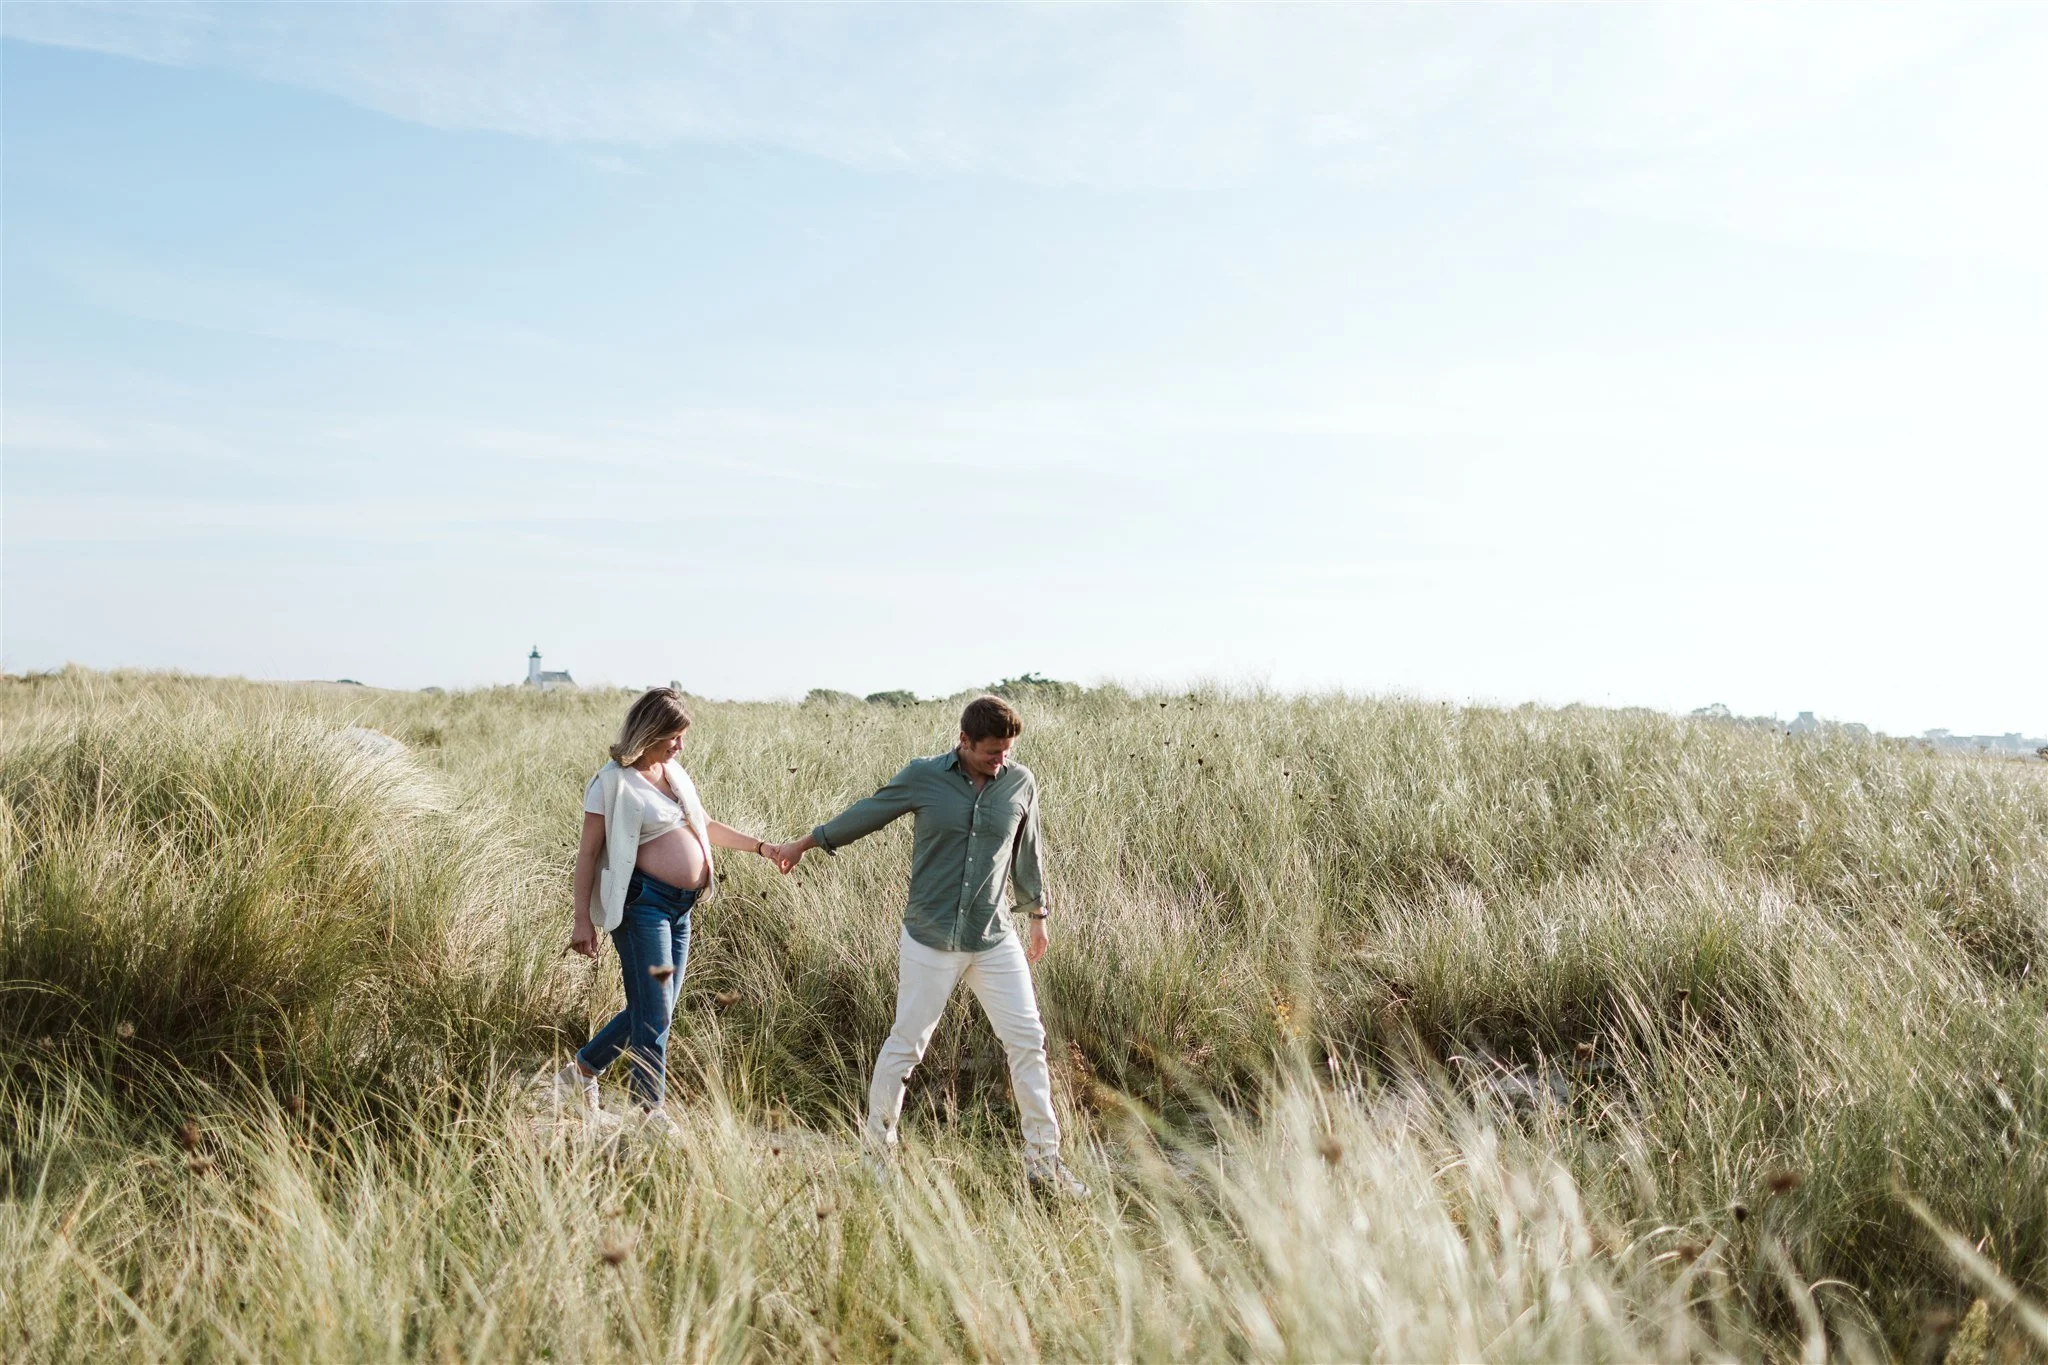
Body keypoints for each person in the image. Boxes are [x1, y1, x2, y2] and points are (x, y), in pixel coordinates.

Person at [778, 695, 1089, 1196]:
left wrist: (1038, 916)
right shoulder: (924, 776)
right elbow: (869, 812)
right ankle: (876, 1157)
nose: (1000, 761)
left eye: (1007, 751)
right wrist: (805, 844)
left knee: (1028, 1041)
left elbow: (1027, 850)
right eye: (991, 752)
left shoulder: (1020, 782)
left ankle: (1043, 1163)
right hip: (930, 936)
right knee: (907, 1046)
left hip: (991, 937)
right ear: (964, 741)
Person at [553, 688, 796, 1132]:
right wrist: (582, 919)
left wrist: (762, 847)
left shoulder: (673, 773)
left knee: (656, 1005)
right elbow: (587, 854)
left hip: (681, 907)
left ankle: (582, 1073)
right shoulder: (611, 783)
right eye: (675, 736)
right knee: (656, 1009)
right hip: (642, 905)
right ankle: (649, 1111)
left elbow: (703, 825)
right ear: (651, 731)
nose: (680, 745)